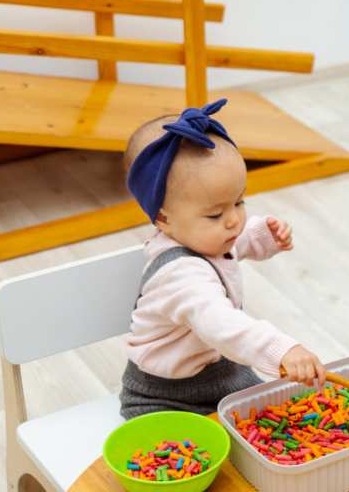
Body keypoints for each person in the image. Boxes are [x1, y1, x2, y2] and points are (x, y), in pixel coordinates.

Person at [119, 99, 326, 419]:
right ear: (163, 218)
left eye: (239, 202)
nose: (233, 221)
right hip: (165, 399)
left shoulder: (202, 237)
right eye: (215, 213)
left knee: (280, 426)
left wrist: (264, 235)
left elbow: (233, 245)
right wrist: (280, 348)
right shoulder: (180, 277)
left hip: (223, 376)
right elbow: (223, 325)